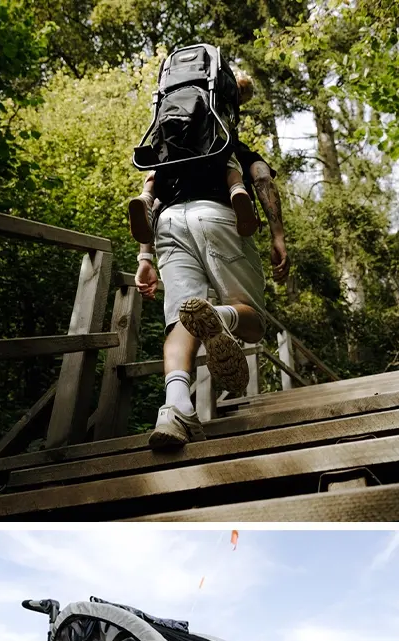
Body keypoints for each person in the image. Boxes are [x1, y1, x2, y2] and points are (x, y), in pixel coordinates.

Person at [134, 106, 290, 450]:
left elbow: (151, 197)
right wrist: (278, 234)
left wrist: (145, 257)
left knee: (179, 320)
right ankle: (219, 316)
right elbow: (262, 177)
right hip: (219, 216)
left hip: (169, 223)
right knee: (251, 319)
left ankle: (174, 408)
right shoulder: (228, 142)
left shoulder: (166, 144)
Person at [128, 74, 261, 242]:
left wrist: (145, 257)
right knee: (227, 153)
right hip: (209, 128)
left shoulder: (188, 83)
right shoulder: (221, 95)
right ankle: (237, 190)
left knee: (162, 161)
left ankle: (145, 197)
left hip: (174, 124)